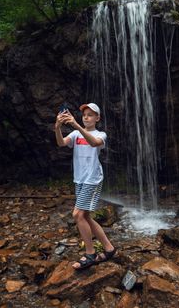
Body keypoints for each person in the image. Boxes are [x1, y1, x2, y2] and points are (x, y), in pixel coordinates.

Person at [55, 103, 116, 270]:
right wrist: (57, 127)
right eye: (84, 115)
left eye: (90, 114)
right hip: (80, 179)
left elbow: (95, 143)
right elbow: (61, 143)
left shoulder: (101, 134)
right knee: (86, 216)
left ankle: (90, 254)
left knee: (77, 214)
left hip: (93, 179)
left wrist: (76, 125)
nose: (86, 117)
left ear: (98, 118)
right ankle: (109, 248)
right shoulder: (75, 134)